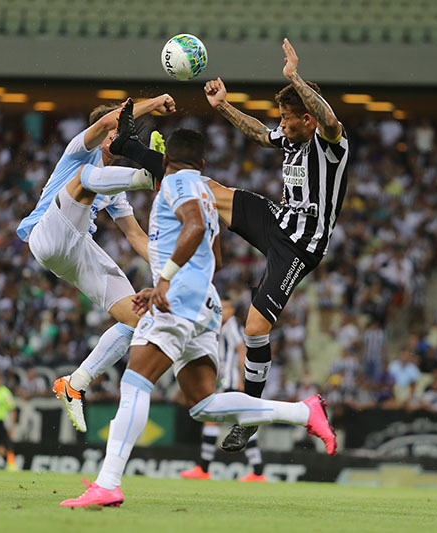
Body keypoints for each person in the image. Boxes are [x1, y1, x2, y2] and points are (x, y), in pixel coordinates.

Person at [60, 129, 336, 508]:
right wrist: (165, 280)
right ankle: (303, 411)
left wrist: (165, 281)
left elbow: (191, 227)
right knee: (202, 403)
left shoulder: (175, 185)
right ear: (203, 162)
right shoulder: (207, 192)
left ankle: (108, 483)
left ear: (167, 160)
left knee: (135, 382)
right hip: (204, 301)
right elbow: (215, 258)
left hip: (179, 299)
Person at [107, 39, 350, 452]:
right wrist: (223, 106)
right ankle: (126, 145)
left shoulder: (330, 143)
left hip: (301, 246)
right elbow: (259, 134)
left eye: (288, 119)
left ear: (307, 119)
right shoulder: (291, 137)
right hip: (277, 219)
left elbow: (329, 118)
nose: (282, 124)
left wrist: (294, 77)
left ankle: (250, 415)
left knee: (256, 328)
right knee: (204, 188)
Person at [15, 94, 176, 433]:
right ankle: (150, 177)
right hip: (47, 233)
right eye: (119, 133)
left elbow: (136, 237)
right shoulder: (80, 150)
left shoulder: (114, 185)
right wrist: (156, 101)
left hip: (76, 248)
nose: (120, 142)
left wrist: (169, 270)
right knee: (86, 176)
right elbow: (106, 123)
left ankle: (76, 383)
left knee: (139, 319)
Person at [178, 297, 266, 482]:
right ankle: (257, 471)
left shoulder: (231, 326)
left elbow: (242, 351)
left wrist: (243, 380)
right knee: (243, 424)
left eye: (225, 307)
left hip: (233, 382)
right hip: (227, 382)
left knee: (214, 421)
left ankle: (204, 468)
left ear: (232, 310)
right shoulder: (223, 327)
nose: (221, 310)